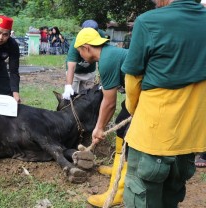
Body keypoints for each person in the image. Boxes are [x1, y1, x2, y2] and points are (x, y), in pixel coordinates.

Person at [121, 0, 206, 207]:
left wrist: (134, 111)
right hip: (190, 136)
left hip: (152, 136)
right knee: (172, 195)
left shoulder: (149, 21)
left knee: (141, 197)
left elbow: (132, 81)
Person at [74, 28, 130, 207]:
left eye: (80, 51)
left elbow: (109, 102)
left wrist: (99, 128)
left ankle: (119, 190)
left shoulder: (107, 60)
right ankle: (117, 169)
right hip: (139, 94)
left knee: (129, 133)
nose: (80, 56)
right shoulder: (110, 53)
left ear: (87, 47)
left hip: (151, 95)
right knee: (122, 128)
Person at [62, 20, 105, 99]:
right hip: (75, 73)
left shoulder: (101, 36)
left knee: (87, 97)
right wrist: (68, 86)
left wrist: (103, 81)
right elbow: (71, 66)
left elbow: (103, 58)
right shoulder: (76, 43)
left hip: (89, 72)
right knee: (72, 96)